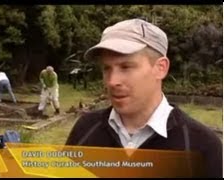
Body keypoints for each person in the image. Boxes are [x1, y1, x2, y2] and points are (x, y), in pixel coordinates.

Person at [65, 19, 222, 177]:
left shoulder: (202, 146)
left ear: (160, 68)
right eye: (107, 68)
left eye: (126, 67)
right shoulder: (85, 129)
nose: (112, 81)